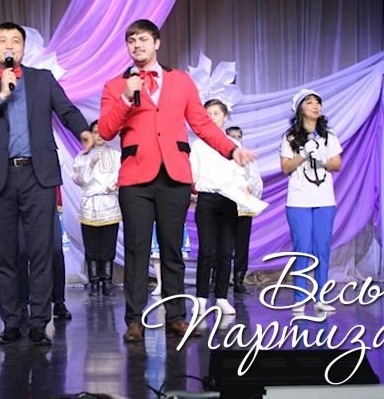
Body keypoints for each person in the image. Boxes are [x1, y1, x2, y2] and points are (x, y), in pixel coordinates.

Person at [97, 19, 254, 343]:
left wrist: (231, 149)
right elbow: (107, 130)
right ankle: (135, 320)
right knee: (138, 250)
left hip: (175, 175)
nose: (137, 45)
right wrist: (126, 97)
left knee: (172, 249)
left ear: (157, 43)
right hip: (136, 177)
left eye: (143, 39)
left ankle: (176, 316)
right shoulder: (115, 85)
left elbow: (201, 124)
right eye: (131, 40)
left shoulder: (180, 81)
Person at [0, 22, 92, 347]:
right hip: (0, 177)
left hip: (38, 175)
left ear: (23, 47)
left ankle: (38, 322)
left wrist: (83, 131)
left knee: (41, 252)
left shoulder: (42, 79)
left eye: (15, 41)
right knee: (6, 254)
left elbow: (67, 110)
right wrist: (1, 94)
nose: (9, 46)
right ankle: (11, 322)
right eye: (2, 41)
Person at [279, 88, 342, 314]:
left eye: (318, 102)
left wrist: (322, 159)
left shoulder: (328, 136)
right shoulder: (290, 137)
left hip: (324, 199)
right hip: (299, 199)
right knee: (302, 249)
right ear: (299, 109)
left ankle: (320, 297)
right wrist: (303, 154)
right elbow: (286, 167)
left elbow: (337, 164)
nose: (315, 106)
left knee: (322, 249)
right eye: (309, 102)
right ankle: (300, 298)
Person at [190, 100, 247, 318]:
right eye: (208, 114)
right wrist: (193, 188)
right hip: (206, 199)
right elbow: (193, 172)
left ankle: (222, 297)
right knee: (207, 250)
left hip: (229, 199)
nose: (213, 117)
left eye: (216, 113)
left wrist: (243, 190)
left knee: (225, 251)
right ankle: (201, 298)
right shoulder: (198, 145)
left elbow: (239, 172)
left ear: (225, 117)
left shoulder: (233, 144)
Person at [71, 120, 122, 297]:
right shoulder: (83, 156)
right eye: (95, 132)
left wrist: (114, 186)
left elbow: (121, 175)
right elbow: (78, 179)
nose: (99, 136)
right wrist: (90, 164)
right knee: (91, 244)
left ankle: (107, 281)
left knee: (108, 244)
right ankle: (93, 281)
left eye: (102, 132)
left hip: (109, 203)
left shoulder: (116, 155)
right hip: (90, 204)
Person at [225, 126, 262, 295]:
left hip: (244, 205)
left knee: (242, 244)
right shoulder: (222, 157)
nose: (236, 140)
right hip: (225, 204)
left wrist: (252, 197)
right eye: (232, 137)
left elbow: (256, 180)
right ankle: (219, 277)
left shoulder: (248, 159)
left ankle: (239, 279)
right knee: (223, 243)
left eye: (238, 137)